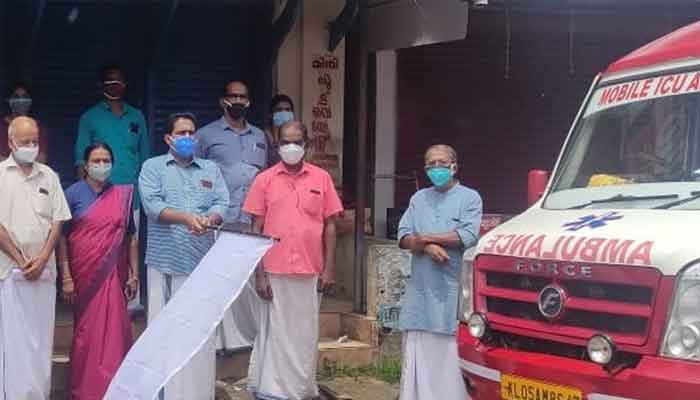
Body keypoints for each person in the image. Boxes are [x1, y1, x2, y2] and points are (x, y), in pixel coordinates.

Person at [243, 120, 343, 400]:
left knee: (304, 332)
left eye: (296, 142)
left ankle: (300, 389)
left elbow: (331, 225)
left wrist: (329, 268)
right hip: (274, 269)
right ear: (277, 146)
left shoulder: (321, 178)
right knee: (274, 331)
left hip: (310, 268)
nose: (291, 147)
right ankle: (272, 390)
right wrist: (259, 274)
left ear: (306, 145)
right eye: (285, 142)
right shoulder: (264, 180)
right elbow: (255, 228)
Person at [139, 112, 229, 400]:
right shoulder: (153, 167)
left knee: (200, 333)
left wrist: (210, 219)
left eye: (191, 132)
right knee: (167, 333)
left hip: (203, 265)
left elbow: (222, 202)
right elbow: (153, 206)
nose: (188, 137)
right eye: (181, 133)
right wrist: (187, 219)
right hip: (167, 265)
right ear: (168, 138)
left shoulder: (210, 169)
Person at [397, 144, 482, 400]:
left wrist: (425, 238)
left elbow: (467, 235)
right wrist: (426, 246)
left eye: (441, 163)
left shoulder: (469, 198)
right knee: (419, 359)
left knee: (449, 361)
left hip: (450, 292)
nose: (436, 168)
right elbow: (403, 237)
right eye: (430, 164)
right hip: (421, 294)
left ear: (454, 166)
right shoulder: (418, 199)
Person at [57, 142, 138, 400]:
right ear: (86, 165)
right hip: (84, 277)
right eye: (96, 161)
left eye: (106, 161)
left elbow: (130, 238)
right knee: (86, 334)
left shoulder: (122, 196)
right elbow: (61, 238)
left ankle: (114, 390)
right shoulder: (72, 194)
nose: (101, 166)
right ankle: (85, 390)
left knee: (115, 332)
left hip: (114, 275)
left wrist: (134, 274)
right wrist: (66, 276)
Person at [0, 116, 71, 399]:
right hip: (9, 272)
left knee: (41, 340)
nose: (31, 146)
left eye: (35, 141)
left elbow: (58, 221)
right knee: (14, 342)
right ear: (10, 142)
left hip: (44, 272)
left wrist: (42, 260)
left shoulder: (49, 176)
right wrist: (21, 260)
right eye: (25, 141)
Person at [195, 80, 268, 352]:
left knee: (247, 279)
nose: (238, 101)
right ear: (222, 101)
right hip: (220, 219)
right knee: (218, 278)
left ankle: (245, 338)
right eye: (233, 96)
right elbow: (194, 173)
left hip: (251, 219)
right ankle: (218, 340)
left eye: (243, 96)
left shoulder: (259, 136)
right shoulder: (205, 135)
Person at [74, 63, 150, 210]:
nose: (115, 84)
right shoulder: (89, 117)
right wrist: (84, 197)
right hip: (98, 196)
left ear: (125, 84)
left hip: (132, 196)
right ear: (101, 85)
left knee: (131, 226)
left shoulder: (137, 116)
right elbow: (80, 161)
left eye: (119, 80)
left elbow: (145, 157)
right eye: (110, 80)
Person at [0, 83, 49, 162]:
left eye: (24, 97)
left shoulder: (38, 128)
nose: (21, 100)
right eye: (16, 97)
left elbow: (41, 159)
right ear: (9, 100)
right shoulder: (2, 126)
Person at [263, 94, 295, 166]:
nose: (284, 113)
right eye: (279, 110)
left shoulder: (297, 138)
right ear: (271, 114)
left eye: (287, 110)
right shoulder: (263, 137)